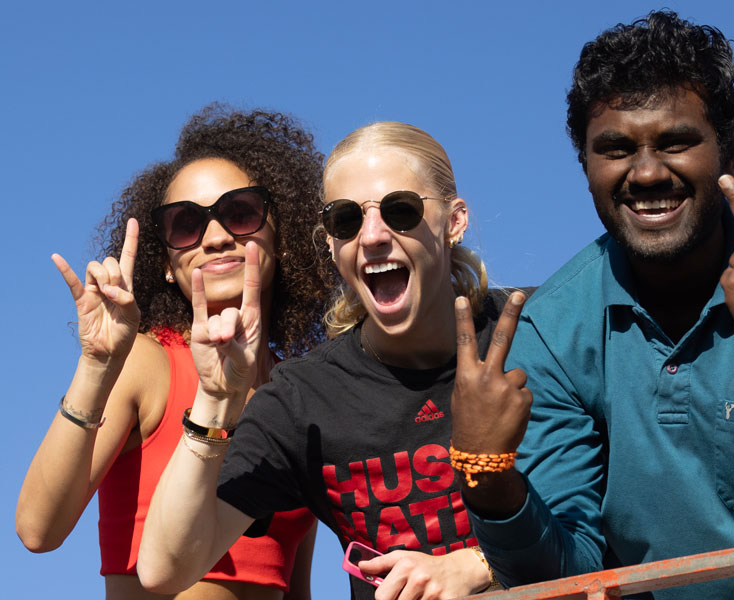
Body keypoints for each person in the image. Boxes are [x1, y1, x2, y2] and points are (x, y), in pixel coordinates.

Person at [450, 11, 734, 600]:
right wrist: (487, 477)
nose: (645, 173)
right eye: (614, 149)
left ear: (731, 148)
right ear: (584, 166)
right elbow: (563, 579)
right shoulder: (552, 329)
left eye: (676, 142)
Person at [138, 121, 520, 599]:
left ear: (455, 221)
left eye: (401, 211)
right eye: (346, 220)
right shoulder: (304, 400)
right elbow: (163, 569)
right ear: (332, 244)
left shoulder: (542, 333)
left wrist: (477, 564)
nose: (374, 236)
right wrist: (214, 399)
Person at [16, 105, 335, 600]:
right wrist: (97, 366)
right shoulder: (148, 363)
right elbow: (38, 531)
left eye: (241, 213)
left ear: (284, 238)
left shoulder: (303, 396)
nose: (215, 237)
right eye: (186, 224)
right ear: (167, 265)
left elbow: (295, 587)